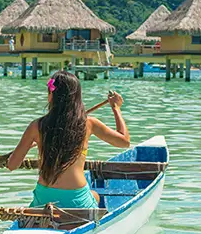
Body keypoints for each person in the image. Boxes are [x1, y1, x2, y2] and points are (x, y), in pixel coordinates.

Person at [7, 71, 130, 209]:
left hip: (44, 198)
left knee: (92, 195)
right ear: (77, 98)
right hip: (76, 198)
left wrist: (19, 151)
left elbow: (12, 165)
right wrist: (116, 108)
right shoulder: (89, 124)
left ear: (51, 96)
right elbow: (124, 142)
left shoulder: (36, 125)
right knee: (95, 195)